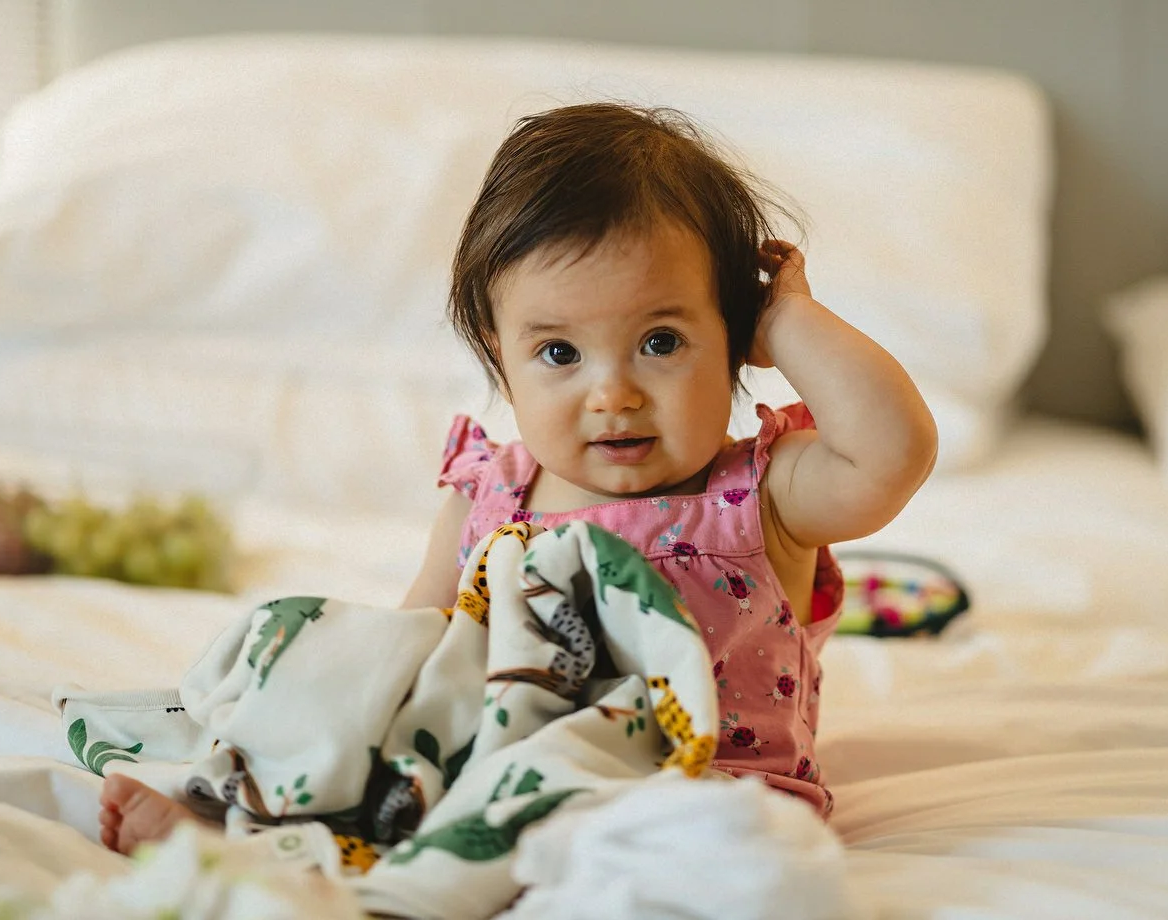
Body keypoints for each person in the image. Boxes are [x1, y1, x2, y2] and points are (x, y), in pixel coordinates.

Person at [99, 102, 936, 854]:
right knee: (340, 715)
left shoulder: (761, 497)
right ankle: (244, 830)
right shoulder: (487, 494)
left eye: (661, 341)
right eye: (559, 354)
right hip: (491, 785)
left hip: (693, 802)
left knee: (704, 869)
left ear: (735, 330)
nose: (613, 394)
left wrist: (790, 320)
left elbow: (893, 453)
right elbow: (405, 651)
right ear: (502, 357)